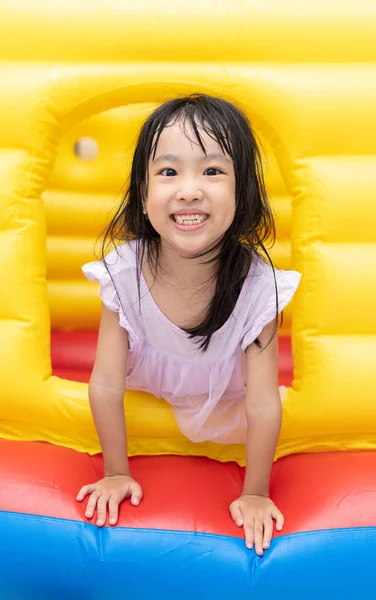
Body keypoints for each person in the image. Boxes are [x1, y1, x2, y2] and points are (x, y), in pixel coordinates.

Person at [76, 94, 301, 557]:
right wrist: (117, 471)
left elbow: (261, 404)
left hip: (225, 404)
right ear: (143, 192)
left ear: (244, 193)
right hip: (148, 390)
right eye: (168, 171)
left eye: (213, 171)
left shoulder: (258, 287)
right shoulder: (124, 273)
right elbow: (104, 384)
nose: (189, 190)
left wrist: (255, 491)